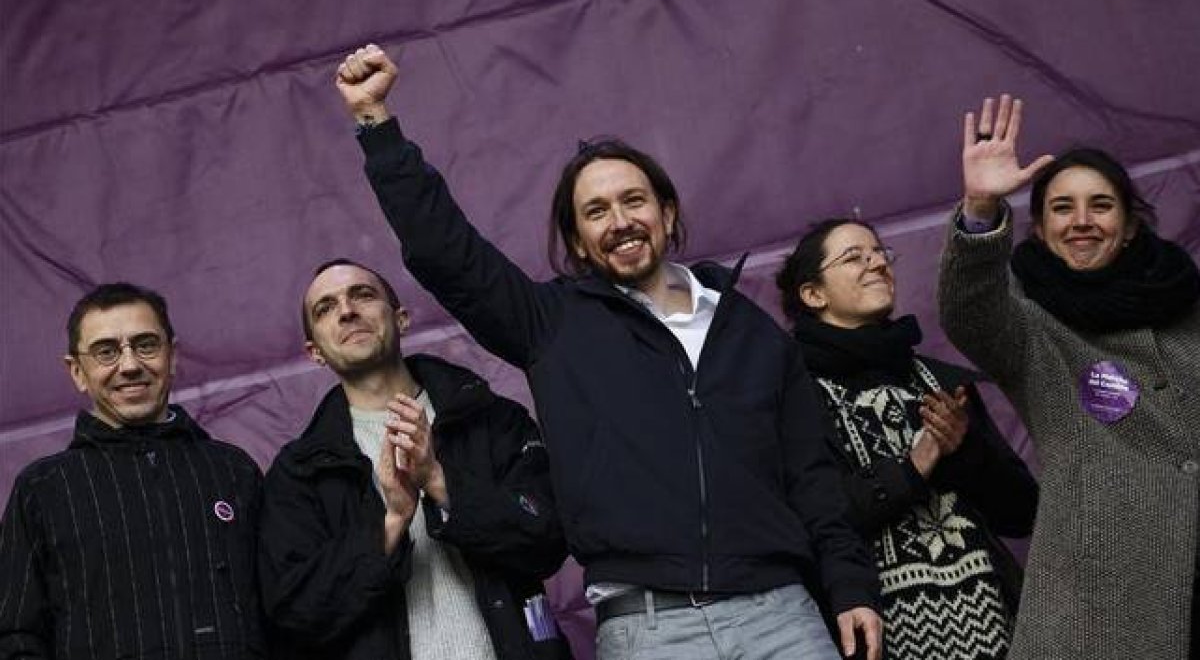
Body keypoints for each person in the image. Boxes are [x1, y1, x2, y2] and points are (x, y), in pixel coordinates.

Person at [333, 43, 883, 660]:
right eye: (595, 212)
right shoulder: (553, 323)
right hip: (647, 627)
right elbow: (445, 251)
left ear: (666, 211)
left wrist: (850, 587)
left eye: (633, 201)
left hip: (780, 614)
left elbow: (812, 479)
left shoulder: (750, 331)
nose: (619, 221)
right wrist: (376, 123)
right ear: (579, 241)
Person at [938, 94, 1200, 659]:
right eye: (1062, 208)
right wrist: (981, 208)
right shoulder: (1030, 324)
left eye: (1100, 205)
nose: (1082, 221)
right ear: (1039, 229)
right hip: (1104, 611)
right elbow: (969, 309)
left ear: (1129, 225)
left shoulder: (1190, 309)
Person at [257, 258, 571, 660]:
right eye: (326, 308)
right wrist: (390, 525)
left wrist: (440, 483)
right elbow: (295, 613)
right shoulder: (300, 472)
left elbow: (548, 538)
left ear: (402, 318)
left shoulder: (490, 419)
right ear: (314, 352)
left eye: (363, 294)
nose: (348, 310)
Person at [776, 219, 1038, 659]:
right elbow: (808, 523)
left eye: (880, 253)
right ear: (813, 294)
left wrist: (965, 452)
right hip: (874, 638)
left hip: (994, 632)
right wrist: (911, 467)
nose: (877, 263)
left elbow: (1022, 512)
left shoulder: (939, 380)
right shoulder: (792, 394)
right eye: (854, 257)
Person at [0, 283, 265, 659]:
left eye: (146, 345)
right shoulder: (42, 489)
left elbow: (282, 614)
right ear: (77, 371)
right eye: (106, 352)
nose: (129, 366)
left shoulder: (232, 471)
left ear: (172, 356)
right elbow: (14, 636)